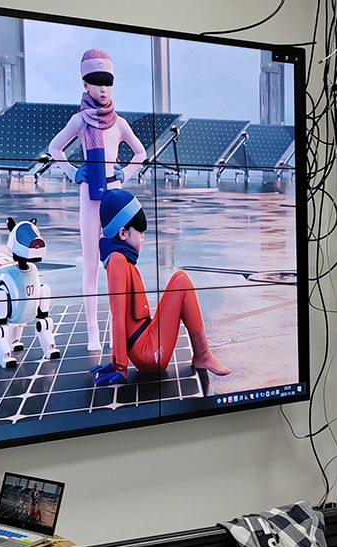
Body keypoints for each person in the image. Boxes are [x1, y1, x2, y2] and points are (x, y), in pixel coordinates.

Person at [47, 49, 148, 352]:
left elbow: (141, 153)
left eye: (107, 83)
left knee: (119, 263)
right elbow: (55, 148)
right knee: (90, 264)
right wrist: (73, 173)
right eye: (97, 82)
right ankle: (93, 331)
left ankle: (121, 328)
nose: (103, 89)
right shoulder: (79, 120)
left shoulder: (120, 123)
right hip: (90, 197)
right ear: (85, 85)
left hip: (115, 200)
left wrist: (124, 172)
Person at [90, 189, 230, 385]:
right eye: (140, 231)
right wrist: (120, 366)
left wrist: (116, 362)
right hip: (148, 353)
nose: (143, 237)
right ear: (122, 233)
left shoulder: (120, 259)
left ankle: (203, 355)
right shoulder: (117, 261)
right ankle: (203, 355)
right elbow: (118, 316)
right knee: (181, 282)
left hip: (146, 339)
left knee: (180, 279)